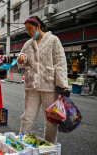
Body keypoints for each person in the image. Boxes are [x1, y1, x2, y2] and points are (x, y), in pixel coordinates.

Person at [17, 16, 68, 144]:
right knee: (27, 117)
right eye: (27, 30)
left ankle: (50, 147)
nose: (29, 32)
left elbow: (60, 62)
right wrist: (21, 58)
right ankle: (21, 144)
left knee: (51, 120)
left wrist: (62, 84)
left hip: (49, 85)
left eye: (30, 29)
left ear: (38, 26)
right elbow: (22, 59)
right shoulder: (28, 44)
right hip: (31, 85)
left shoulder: (53, 40)